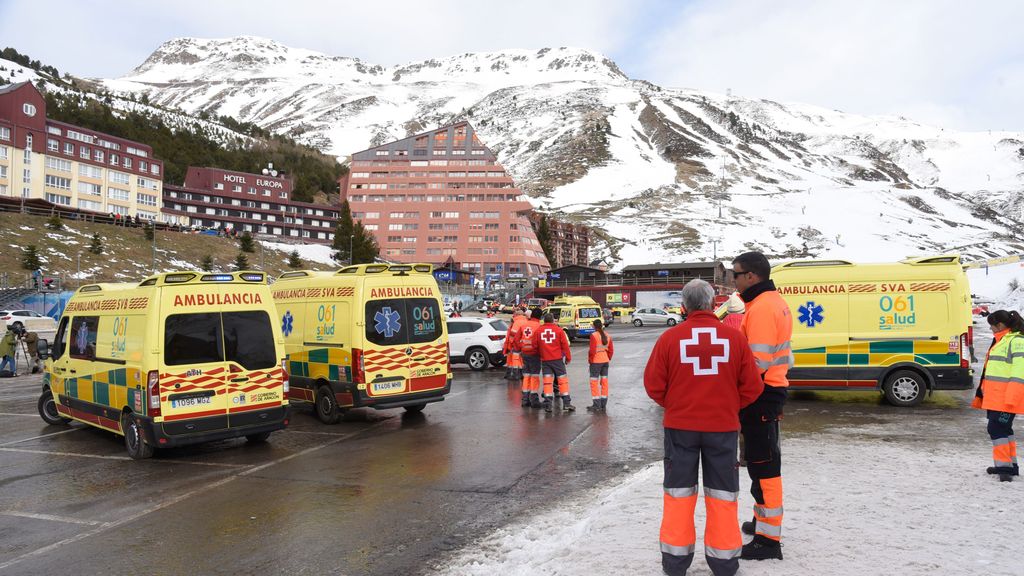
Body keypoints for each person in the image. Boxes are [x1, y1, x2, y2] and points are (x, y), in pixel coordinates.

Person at [644, 279, 764, 576]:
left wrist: (676, 405)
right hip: (722, 430)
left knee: (678, 496)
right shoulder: (734, 339)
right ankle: (724, 563)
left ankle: (675, 563)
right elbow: (753, 387)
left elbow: (653, 385)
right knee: (723, 495)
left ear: (684, 306)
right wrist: (728, 406)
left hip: (680, 430)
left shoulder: (670, 339)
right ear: (713, 304)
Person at [731, 251, 793, 561]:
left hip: (761, 394)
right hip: (768, 392)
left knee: (764, 466)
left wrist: (732, 388)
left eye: (736, 275)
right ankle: (761, 522)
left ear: (751, 277)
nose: (734, 281)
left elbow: (755, 363)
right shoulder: (768, 303)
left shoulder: (763, 308)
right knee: (760, 463)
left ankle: (768, 540)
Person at [971, 310, 1024, 482]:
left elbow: (1019, 373)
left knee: (996, 429)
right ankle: (1010, 466)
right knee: (1004, 430)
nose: (991, 330)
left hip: (1006, 399)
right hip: (997, 398)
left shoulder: (1015, 342)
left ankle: (1005, 469)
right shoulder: (1002, 341)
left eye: (992, 326)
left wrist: (1012, 399)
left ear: (1000, 325)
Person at [531, 312, 575, 412]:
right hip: (557, 360)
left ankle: (548, 405)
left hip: (545, 361)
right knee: (562, 381)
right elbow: (565, 346)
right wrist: (568, 358)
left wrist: (540, 354)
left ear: (544, 320)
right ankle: (567, 403)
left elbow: (534, 347)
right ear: (552, 320)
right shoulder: (559, 330)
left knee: (547, 383)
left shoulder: (538, 331)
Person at [518, 308, 544, 408]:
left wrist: (520, 349)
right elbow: (540, 343)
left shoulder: (523, 325)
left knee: (526, 376)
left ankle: (525, 399)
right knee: (535, 377)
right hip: (535, 355)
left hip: (524, 354)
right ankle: (534, 400)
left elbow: (516, 340)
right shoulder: (539, 327)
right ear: (540, 317)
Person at [587, 319, 614, 412]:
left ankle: (596, 404)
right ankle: (603, 404)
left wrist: (590, 361)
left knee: (594, 383)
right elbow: (611, 350)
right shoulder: (607, 335)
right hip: (605, 361)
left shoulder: (594, 335)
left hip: (596, 362)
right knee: (604, 382)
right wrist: (608, 358)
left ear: (594, 326)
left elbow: (592, 351)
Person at [503, 310, 527, 381]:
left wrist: (511, 344)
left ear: (517, 314)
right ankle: (519, 374)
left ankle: (515, 375)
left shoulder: (517, 321)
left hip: (515, 344)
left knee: (514, 360)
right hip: (523, 344)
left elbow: (513, 334)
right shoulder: (526, 320)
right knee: (520, 360)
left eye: (514, 314)